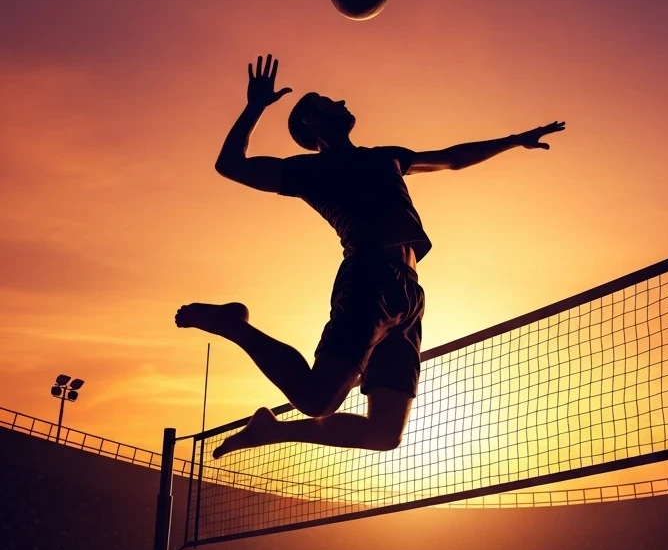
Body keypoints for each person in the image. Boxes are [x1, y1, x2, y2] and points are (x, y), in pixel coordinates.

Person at [176, 54, 565, 459]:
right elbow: (230, 164)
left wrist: (514, 140)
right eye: (327, 102)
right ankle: (233, 324)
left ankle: (273, 431)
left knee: (384, 435)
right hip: (369, 277)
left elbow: (452, 157)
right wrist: (255, 107)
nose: (341, 101)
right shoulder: (310, 170)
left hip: (410, 295)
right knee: (317, 399)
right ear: (311, 123)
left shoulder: (387, 157)